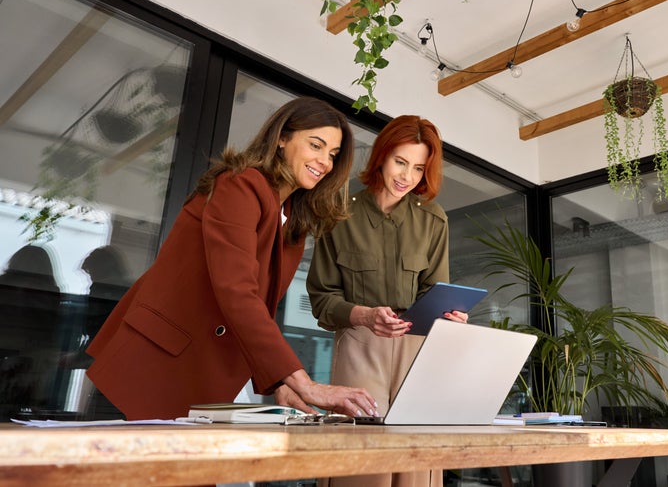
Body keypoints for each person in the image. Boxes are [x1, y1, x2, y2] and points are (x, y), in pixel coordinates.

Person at [86, 97, 378, 421]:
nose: (324, 161)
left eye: (333, 155)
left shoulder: (292, 220)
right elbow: (236, 290)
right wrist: (304, 383)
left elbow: (255, 311)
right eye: (316, 145)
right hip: (152, 364)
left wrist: (280, 381)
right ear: (282, 138)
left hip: (204, 372)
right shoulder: (239, 184)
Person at [308, 115, 465, 487]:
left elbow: (434, 290)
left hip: (417, 351)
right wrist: (361, 315)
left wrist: (448, 315)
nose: (406, 176)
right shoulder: (338, 210)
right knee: (362, 467)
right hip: (360, 347)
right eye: (400, 161)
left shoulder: (434, 220)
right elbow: (320, 299)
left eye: (418, 167)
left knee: (417, 465)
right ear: (381, 156)